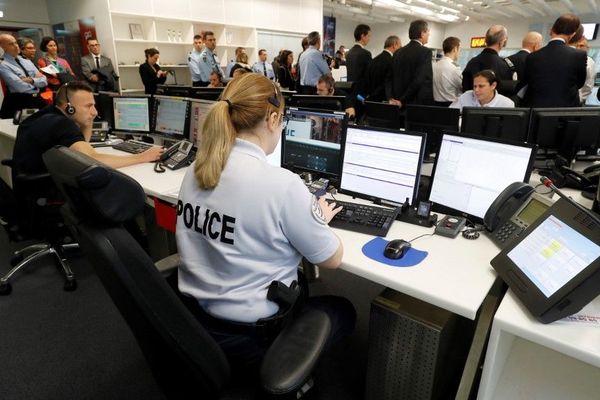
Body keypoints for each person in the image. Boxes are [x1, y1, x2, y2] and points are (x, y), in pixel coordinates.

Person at [176, 73, 355, 369]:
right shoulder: (282, 185)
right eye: (282, 119)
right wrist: (317, 218)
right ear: (272, 118)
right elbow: (331, 259)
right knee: (343, 311)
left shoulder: (197, 168)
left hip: (198, 321)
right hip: (254, 337)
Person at [12, 81, 163, 176]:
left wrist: (87, 119)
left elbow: (80, 145)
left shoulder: (45, 115)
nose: (95, 112)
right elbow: (92, 159)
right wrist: (142, 157)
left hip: (30, 191)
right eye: (88, 106)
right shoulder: (62, 124)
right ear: (69, 108)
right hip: (48, 193)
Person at [521, 14, 586, 107]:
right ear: (572, 35)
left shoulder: (532, 56)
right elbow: (579, 83)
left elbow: (527, 82)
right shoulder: (579, 55)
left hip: (536, 110)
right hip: (565, 110)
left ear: (551, 30)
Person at [386, 20, 433, 107]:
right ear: (422, 33)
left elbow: (389, 78)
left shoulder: (398, 52)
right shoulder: (425, 52)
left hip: (395, 103)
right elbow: (418, 80)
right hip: (413, 104)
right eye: (428, 33)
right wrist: (402, 100)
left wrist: (390, 98)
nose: (428, 35)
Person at [0, 34, 48, 119]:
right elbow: (20, 87)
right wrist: (36, 81)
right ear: (2, 47)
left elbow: (44, 81)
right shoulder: (3, 65)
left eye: (16, 43)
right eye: (11, 44)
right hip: (21, 102)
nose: (16, 46)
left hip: (37, 99)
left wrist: (31, 80)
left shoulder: (27, 61)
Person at [461, 25, 515, 97]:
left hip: (472, 106)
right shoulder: (505, 65)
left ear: (486, 40)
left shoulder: (472, 63)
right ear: (502, 42)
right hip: (497, 107)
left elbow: (465, 89)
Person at [365, 35, 401, 102]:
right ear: (394, 45)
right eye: (400, 46)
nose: (400, 49)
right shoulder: (392, 61)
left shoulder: (373, 60)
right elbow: (387, 83)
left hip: (371, 100)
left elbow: (367, 80)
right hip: (384, 101)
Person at [432, 37, 463, 107]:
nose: (459, 52)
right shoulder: (455, 68)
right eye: (459, 49)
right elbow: (463, 86)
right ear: (455, 49)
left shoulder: (434, 65)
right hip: (450, 105)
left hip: (435, 104)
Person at [345, 24, 372, 99]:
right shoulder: (366, 53)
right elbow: (368, 76)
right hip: (362, 93)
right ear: (363, 36)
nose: (369, 38)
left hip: (350, 92)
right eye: (368, 36)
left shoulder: (349, 53)